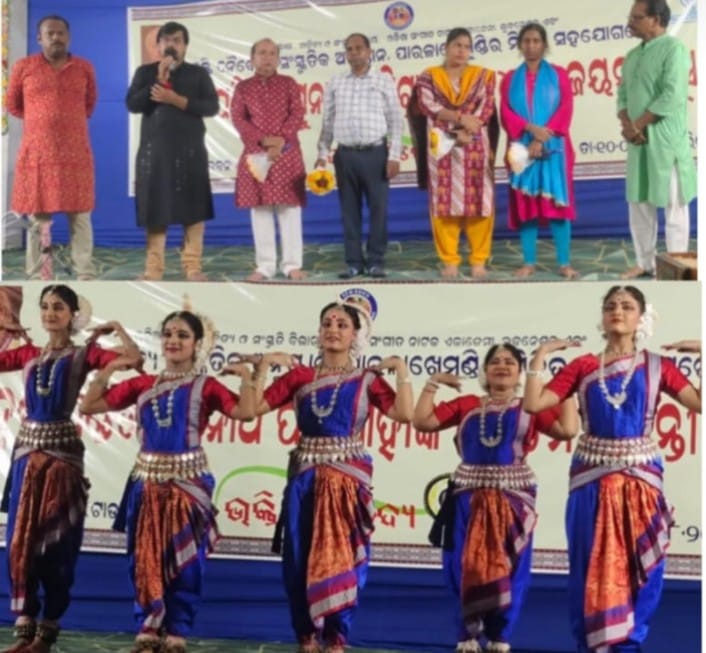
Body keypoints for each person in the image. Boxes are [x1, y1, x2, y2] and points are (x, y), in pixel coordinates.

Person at [522, 285, 701, 652]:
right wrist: (539, 356)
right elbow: (534, 403)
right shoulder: (583, 366)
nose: (618, 311)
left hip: (641, 480)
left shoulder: (658, 366)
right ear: (602, 318)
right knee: (589, 565)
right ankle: (591, 644)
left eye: (627, 306)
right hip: (591, 478)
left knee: (643, 569)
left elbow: (699, 403)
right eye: (611, 306)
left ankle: (629, 644)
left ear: (640, 317)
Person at [79, 310, 256, 653]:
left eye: (183, 335)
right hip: (147, 484)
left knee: (187, 562)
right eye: (169, 334)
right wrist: (110, 369)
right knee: (144, 558)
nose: (173, 340)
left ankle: (177, 630)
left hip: (189, 485)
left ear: (197, 344)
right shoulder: (144, 385)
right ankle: (148, 625)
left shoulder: (206, 386)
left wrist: (249, 376)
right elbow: (90, 406)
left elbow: (245, 413)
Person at [247, 295, 413, 652]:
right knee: (299, 556)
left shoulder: (367, 380)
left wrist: (401, 371)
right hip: (305, 478)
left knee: (343, 557)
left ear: (356, 335)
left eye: (342, 325)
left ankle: (337, 636)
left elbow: (404, 415)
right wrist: (264, 366)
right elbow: (251, 410)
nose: (333, 330)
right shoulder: (300, 376)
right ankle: (306, 636)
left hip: (347, 481)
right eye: (327, 324)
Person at [0, 284, 141, 653]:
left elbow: (133, 358)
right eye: (45, 306)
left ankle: (47, 631)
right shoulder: (29, 354)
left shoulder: (83, 354)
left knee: (56, 544)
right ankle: (25, 630)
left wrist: (116, 328)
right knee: (20, 542)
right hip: (27, 459)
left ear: (73, 314)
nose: (50, 313)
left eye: (58, 307)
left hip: (62, 459)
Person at [413, 344, 578, 653]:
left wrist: (565, 391)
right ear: (485, 371)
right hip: (467, 499)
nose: (502, 366)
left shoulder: (530, 408)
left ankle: (500, 635)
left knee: (511, 566)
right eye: (495, 362)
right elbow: (423, 421)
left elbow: (567, 430)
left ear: (520, 372)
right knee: (462, 565)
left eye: (510, 362)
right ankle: (467, 633)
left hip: (513, 500)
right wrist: (432, 383)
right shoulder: (467, 404)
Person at [7, 15, 97, 281]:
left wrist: (63, 122)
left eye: (61, 33)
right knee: (39, 218)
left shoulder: (84, 68)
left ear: (68, 37)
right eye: (50, 34)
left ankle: (84, 271)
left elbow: (89, 104)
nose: (56, 37)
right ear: (39, 38)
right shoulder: (24, 67)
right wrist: (42, 122)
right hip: (38, 153)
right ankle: (39, 273)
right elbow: (13, 104)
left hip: (75, 152)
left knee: (80, 215)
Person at [127, 21, 219, 282]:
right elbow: (133, 104)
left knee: (194, 209)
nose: (171, 45)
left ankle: (192, 267)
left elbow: (211, 107)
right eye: (166, 40)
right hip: (155, 154)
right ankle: (154, 269)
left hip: (190, 153)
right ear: (158, 46)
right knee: (156, 208)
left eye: (177, 40)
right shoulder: (145, 73)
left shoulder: (198, 74)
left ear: (185, 46)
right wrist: (159, 79)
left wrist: (176, 100)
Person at [617, 0, 696, 279]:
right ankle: (644, 262)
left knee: (674, 205)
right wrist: (627, 125)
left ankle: (676, 264)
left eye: (636, 17)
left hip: (665, 140)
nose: (630, 23)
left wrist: (637, 125)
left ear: (655, 19)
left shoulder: (674, 49)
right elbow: (622, 95)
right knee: (639, 203)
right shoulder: (631, 56)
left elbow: (672, 95)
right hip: (638, 142)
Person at [315, 33, 403, 279]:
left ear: (369, 51)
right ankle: (353, 262)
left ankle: (375, 261)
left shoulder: (383, 80)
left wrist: (394, 156)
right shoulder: (336, 82)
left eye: (358, 48)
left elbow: (396, 121)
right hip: (345, 156)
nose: (354, 53)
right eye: (349, 49)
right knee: (349, 212)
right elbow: (328, 121)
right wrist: (323, 153)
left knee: (378, 210)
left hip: (376, 154)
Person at [415, 28, 498, 279]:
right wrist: (460, 120)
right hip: (442, 145)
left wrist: (468, 129)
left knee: (479, 202)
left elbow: (486, 107)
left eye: (466, 46)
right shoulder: (429, 76)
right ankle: (450, 260)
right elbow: (428, 106)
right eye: (457, 45)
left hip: (475, 143)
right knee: (444, 203)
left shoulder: (483, 76)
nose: (462, 51)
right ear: (446, 47)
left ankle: (478, 260)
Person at [500, 23, 579, 280]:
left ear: (544, 45)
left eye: (536, 40)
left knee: (557, 205)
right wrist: (530, 129)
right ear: (519, 45)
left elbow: (565, 109)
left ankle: (564, 263)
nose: (531, 45)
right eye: (526, 41)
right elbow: (506, 113)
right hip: (522, 149)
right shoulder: (510, 80)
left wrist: (541, 138)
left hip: (554, 149)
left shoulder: (560, 75)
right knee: (526, 206)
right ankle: (529, 262)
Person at [231, 38, 307, 282]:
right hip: (257, 154)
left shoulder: (289, 84)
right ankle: (265, 266)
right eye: (262, 53)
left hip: (287, 154)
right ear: (252, 58)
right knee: (261, 209)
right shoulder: (243, 88)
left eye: (272, 53)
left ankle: (292, 265)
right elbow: (238, 118)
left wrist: (280, 140)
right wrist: (263, 141)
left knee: (289, 210)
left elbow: (297, 113)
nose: (267, 57)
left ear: (278, 58)